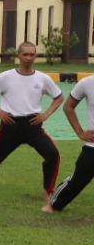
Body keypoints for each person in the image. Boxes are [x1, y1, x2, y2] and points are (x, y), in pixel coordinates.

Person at [0, 42, 64, 201]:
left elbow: (59, 97)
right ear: (18, 56)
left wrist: (46, 114)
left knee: (53, 154)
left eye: (32, 55)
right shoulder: (6, 76)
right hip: (10, 124)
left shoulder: (43, 78)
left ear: (36, 56)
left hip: (33, 125)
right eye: (25, 54)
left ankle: (47, 191)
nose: (28, 58)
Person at [45, 74, 94, 213]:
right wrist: (80, 132)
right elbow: (68, 107)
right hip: (92, 147)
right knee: (78, 179)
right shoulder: (87, 83)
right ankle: (53, 205)